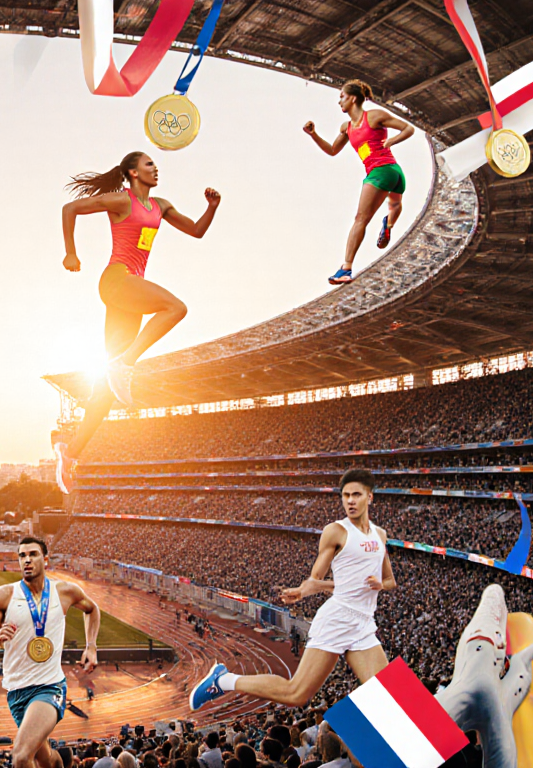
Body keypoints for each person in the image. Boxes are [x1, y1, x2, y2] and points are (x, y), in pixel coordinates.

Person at [51, 152, 221, 493]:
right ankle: (125, 364)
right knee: (176, 308)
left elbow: (198, 232)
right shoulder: (120, 200)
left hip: (129, 293)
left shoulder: (161, 205)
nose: (155, 168)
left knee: (106, 391)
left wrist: (212, 207)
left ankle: (70, 452)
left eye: (155, 165)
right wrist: (71, 252)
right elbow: (70, 209)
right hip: (117, 281)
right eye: (148, 164)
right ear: (132, 172)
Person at [190, 468, 395, 710]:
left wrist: (380, 584)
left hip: (363, 622)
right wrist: (306, 589)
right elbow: (316, 577)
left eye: (357, 494)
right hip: (338, 619)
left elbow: (390, 581)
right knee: (296, 694)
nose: (350, 500)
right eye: (346, 495)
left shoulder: (379, 535)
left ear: (370, 497)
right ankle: (224, 680)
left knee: (390, 694)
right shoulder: (337, 531)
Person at [0, 537, 101, 768]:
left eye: (32, 554)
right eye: (22, 556)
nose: (27, 560)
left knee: (21, 757)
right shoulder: (3, 596)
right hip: (16, 693)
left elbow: (92, 609)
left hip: (49, 687)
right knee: (46, 759)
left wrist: (91, 646)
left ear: (45, 559)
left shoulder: (64, 591)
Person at [302, 79, 415, 285]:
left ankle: (345, 268)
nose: (339, 102)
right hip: (394, 173)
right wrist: (314, 135)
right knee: (395, 205)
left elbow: (408, 129)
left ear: (353, 98)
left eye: (342, 97)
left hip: (380, 171)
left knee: (360, 219)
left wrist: (392, 141)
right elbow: (332, 150)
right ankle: (388, 224)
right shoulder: (347, 128)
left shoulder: (374, 116)